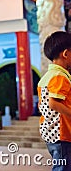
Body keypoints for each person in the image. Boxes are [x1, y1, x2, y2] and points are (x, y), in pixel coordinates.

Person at [37, 31, 71, 171]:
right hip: (60, 134)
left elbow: (42, 104)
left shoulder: (47, 76)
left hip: (51, 132)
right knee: (62, 167)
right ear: (65, 53)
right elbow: (53, 103)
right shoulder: (59, 76)